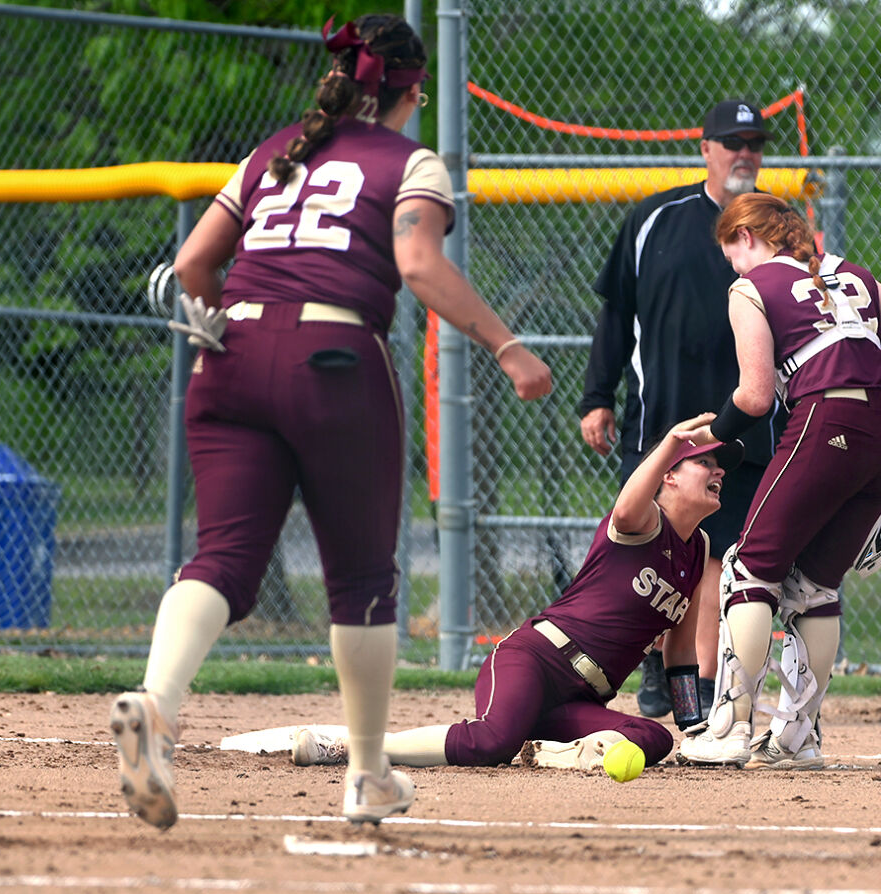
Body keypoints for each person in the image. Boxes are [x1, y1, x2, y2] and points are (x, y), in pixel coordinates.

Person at [109, 14, 552, 830]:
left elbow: (191, 267)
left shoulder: (275, 150)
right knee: (359, 580)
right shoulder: (410, 161)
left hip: (229, 349)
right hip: (334, 356)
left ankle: (157, 709)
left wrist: (225, 329)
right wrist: (507, 346)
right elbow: (418, 264)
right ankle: (365, 775)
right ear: (413, 90)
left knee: (223, 558)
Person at [290, 416, 738, 774]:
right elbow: (624, 507)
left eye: (719, 467)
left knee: (653, 739)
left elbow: (679, 650)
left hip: (580, 700)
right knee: (491, 741)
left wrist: (693, 726)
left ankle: (544, 752)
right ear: (670, 477)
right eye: (704, 463)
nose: (719, 471)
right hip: (536, 659)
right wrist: (671, 443)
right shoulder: (644, 521)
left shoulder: (698, 551)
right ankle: (353, 747)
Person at [680, 193, 881, 770]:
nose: (736, 270)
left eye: (733, 255)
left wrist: (712, 435)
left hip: (827, 420)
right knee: (814, 587)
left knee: (748, 571)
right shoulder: (852, 273)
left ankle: (728, 729)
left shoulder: (751, 287)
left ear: (745, 236)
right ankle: (797, 741)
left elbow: (753, 394)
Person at [579, 98, 786, 723]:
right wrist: (597, 396)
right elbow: (616, 315)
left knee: (730, 564)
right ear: (706, 149)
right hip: (661, 424)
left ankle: (709, 693)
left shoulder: (777, 226)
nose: (745, 153)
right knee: (653, 558)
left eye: (754, 143)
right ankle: (658, 676)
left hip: (751, 426)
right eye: (732, 142)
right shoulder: (654, 219)